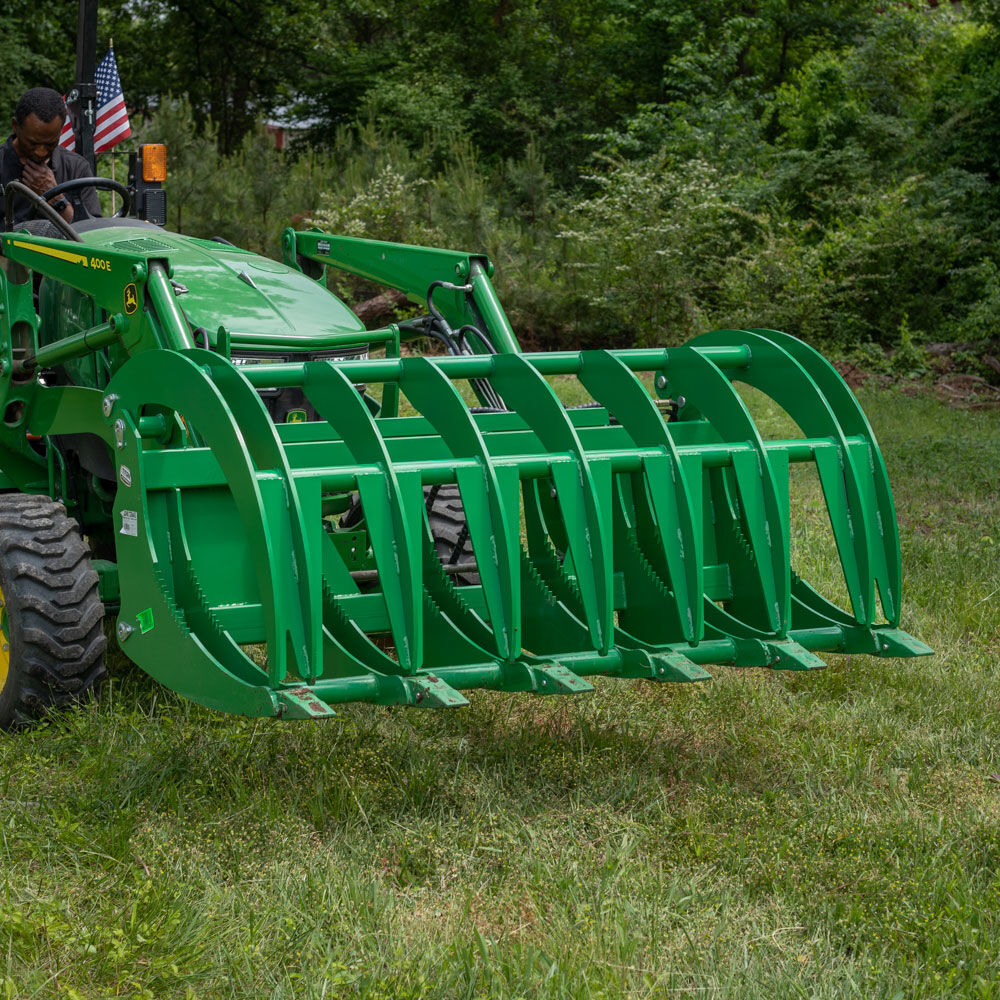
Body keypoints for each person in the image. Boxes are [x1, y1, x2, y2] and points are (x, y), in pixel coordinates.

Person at [0, 87, 101, 229]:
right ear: (15, 126)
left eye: (50, 143)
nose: (41, 152)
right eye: (33, 143)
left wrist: (56, 199)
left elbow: (92, 234)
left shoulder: (76, 168)